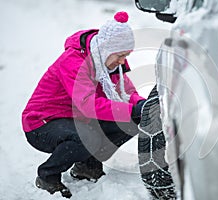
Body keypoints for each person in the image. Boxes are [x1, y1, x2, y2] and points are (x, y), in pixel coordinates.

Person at [22, 11, 146, 198]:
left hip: (78, 119)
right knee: (86, 136)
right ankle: (48, 175)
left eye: (126, 55)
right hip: (43, 122)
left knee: (131, 121)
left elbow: (127, 92)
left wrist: (143, 106)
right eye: (120, 55)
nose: (123, 61)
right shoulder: (73, 61)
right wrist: (133, 109)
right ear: (106, 49)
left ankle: (87, 166)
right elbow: (87, 104)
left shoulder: (111, 63)